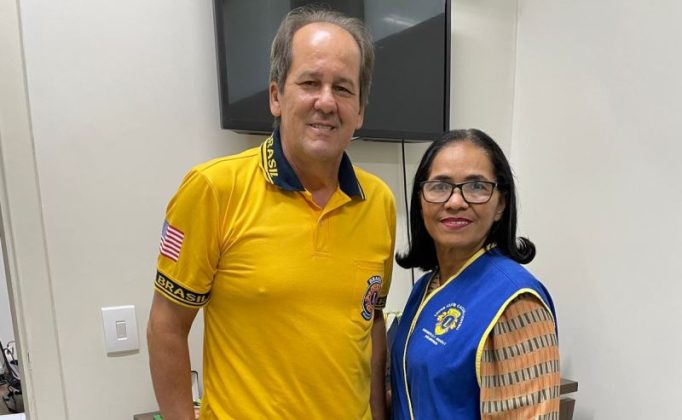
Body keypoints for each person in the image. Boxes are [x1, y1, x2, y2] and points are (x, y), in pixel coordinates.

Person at [147, 6, 396, 420]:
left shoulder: (379, 201)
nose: (326, 102)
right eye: (310, 83)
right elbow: (166, 326)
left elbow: (371, 324)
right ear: (276, 96)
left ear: (360, 111)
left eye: (343, 88)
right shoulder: (213, 189)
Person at [390, 129, 560, 419]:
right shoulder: (427, 286)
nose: (455, 202)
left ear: (501, 204)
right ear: (421, 199)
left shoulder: (516, 302)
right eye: (440, 186)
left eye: (476, 186)